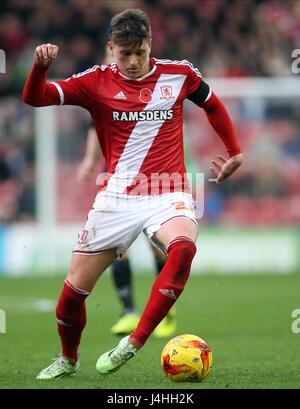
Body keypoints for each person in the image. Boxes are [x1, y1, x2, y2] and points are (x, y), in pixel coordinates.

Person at [22, 8, 243, 379]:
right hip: (116, 198)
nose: (134, 61)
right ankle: (67, 358)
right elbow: (36, 97)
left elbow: (212, 104)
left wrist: (234, 150)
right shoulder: (94, 82)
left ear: (150, 45)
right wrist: (40, 67)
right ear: (111, 49)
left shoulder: (179, 74)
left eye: (140, 51)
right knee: (72, 294)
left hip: (166, 189)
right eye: (125, 54)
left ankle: (134, 342)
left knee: (184, 247)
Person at [77, 127, 175, 337]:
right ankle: (128, 311)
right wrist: (89, 160)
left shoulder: (154, 98)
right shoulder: (110, 95)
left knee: (156, 248)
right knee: (117, 248)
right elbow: (95, 125)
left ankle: (166, 311)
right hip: (117, 180)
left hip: (153, 178)